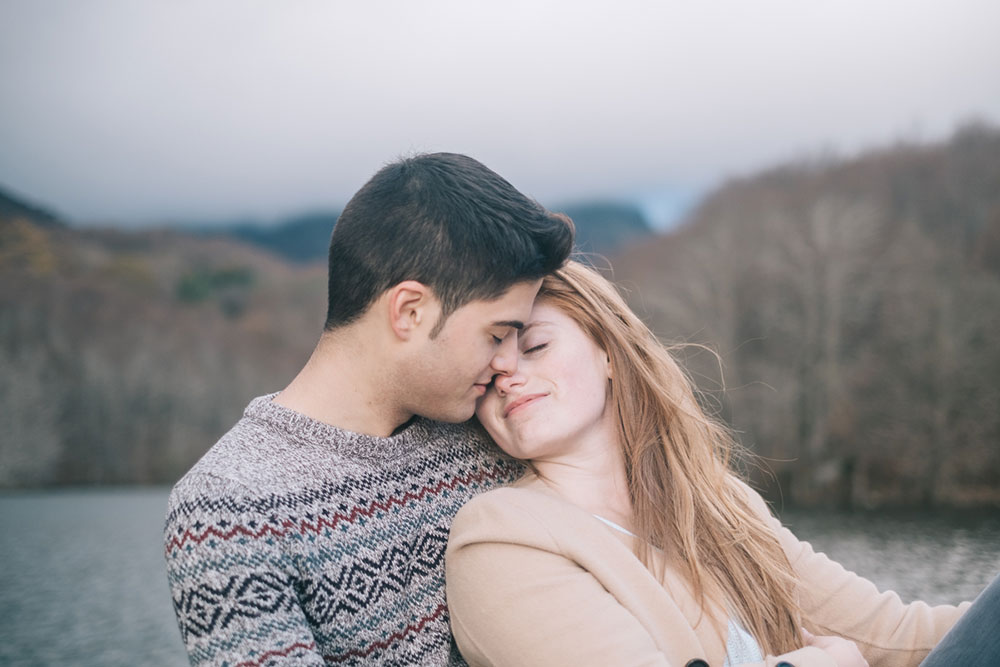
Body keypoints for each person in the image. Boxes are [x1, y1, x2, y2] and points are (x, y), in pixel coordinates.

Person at [446, 260, 994, 667]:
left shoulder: (713, 500)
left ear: (608, 351)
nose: (509, 377)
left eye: (535, 347)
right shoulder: (499, 540)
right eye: (489, 374)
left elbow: (897, 636)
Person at [163, 153, 574, 666]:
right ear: (409, 311)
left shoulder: (492, 430)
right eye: (496, 334)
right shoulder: (228, 508)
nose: (509, 365)